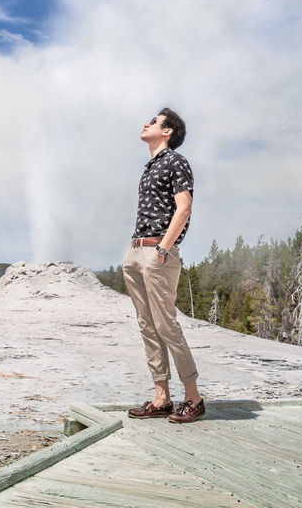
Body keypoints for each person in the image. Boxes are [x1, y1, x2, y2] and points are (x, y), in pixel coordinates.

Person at [122, 108, 205, 423]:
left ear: (167, 131)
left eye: (153, 122)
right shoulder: (151, 166)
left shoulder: (175, 161)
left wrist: (162, 249)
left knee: (166, 325)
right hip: (137, 251)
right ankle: (162, 398)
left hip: (158, 252)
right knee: (148, 326)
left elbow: (184, 207)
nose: (146, 124)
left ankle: (193, 398)